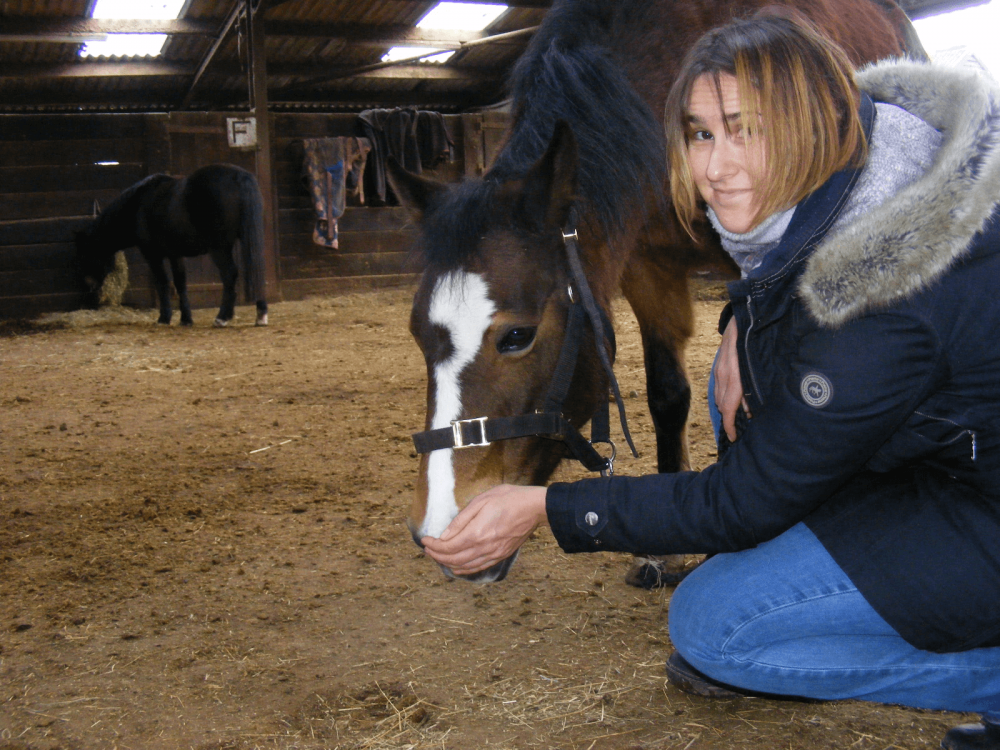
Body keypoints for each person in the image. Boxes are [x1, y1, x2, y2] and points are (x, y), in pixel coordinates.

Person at [422, 12, 1000, 750]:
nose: (715, 168)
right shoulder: (879, 171)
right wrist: (743, 315)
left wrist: (548, 507)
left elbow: (743, 502)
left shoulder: (883, 295)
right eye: (699, 134)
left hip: (977, 504)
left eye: (744, 129)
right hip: (950, 469)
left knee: (718, 627)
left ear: (810, 119)